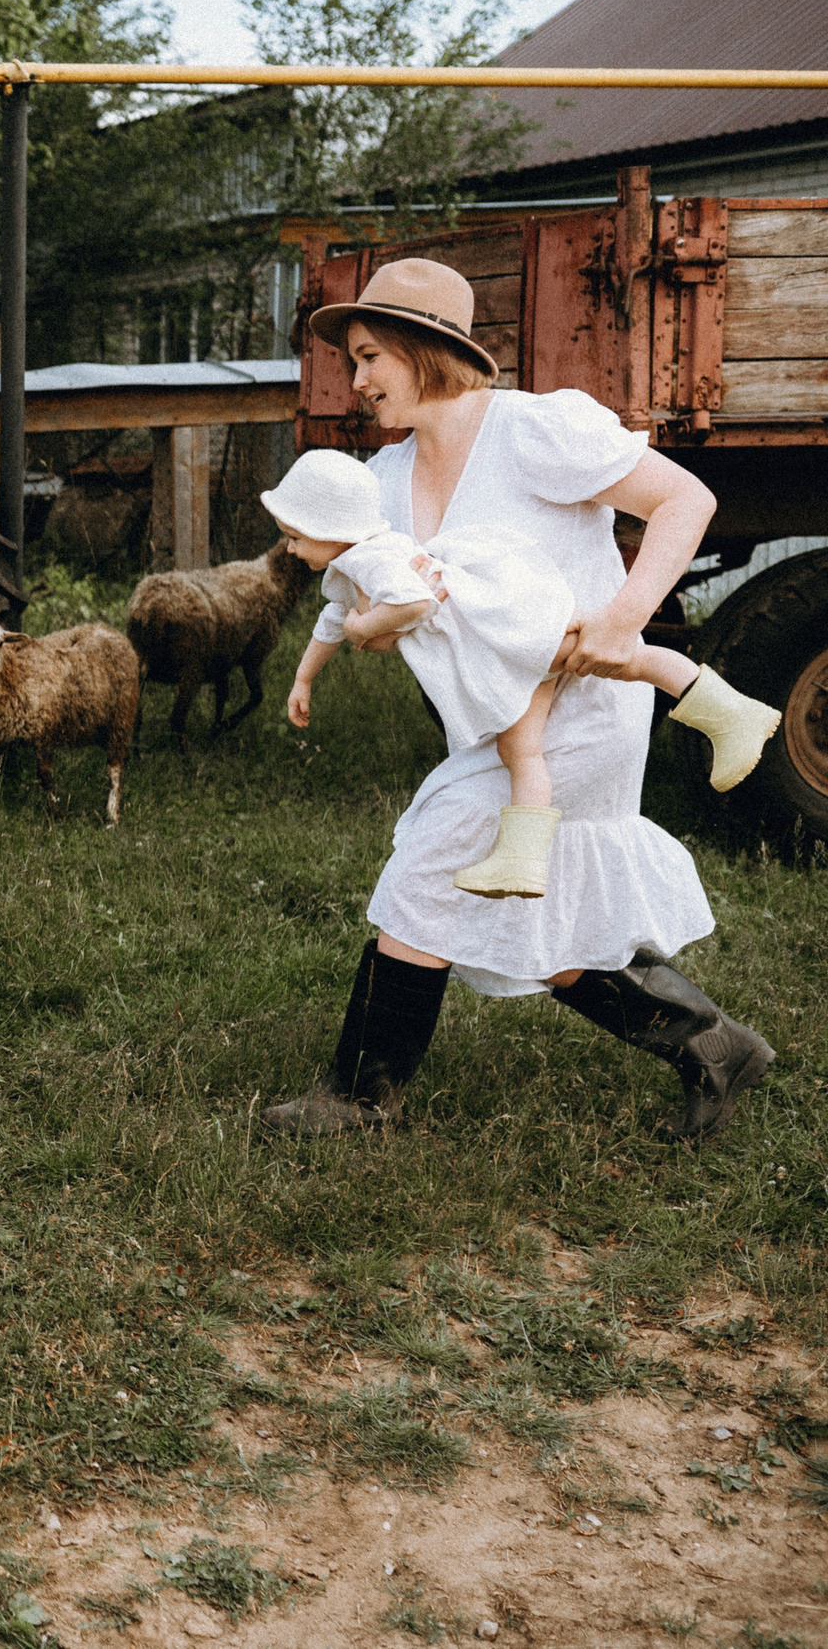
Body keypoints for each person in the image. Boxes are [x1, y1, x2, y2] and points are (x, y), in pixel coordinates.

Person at [259, 258, 775, 1144]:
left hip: (584, 714)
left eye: (372, 354)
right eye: (354, 360)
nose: (360, 380)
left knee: (427, 862)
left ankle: (358, 1097)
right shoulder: (380, 482)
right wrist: (366, 636)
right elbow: (368, 598)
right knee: (557, 941)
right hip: (499, 725)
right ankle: (715, 1045)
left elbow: (684, 498)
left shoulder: (534, 431)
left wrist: (624, 619)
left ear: (428, 349)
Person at [266, 448, 780, 899]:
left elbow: (413, 602)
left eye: (295, 537)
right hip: (505, 658)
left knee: (628, 659)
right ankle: (523, 858)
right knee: (520, 750)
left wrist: (366, 621)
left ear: (333, 529)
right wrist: (304, 678)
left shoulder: (373, 557)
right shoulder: (348, 567)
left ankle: (733, 714)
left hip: (507, 632)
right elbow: (331, 622)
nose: (289, 548)